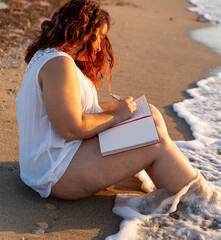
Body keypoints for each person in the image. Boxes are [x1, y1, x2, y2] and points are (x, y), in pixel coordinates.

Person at [16, 0, 198, 200]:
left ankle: (168, 189)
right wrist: (116, 115)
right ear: (84, 31)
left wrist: (117, 108)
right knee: (154, 140)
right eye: (100, 37)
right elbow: (70, 128)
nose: (100, 46)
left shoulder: (50, 57)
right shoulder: (59, 64)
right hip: (54, 172)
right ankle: (202, 202)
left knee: (149, 115)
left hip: (49, 162)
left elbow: (68, 108)